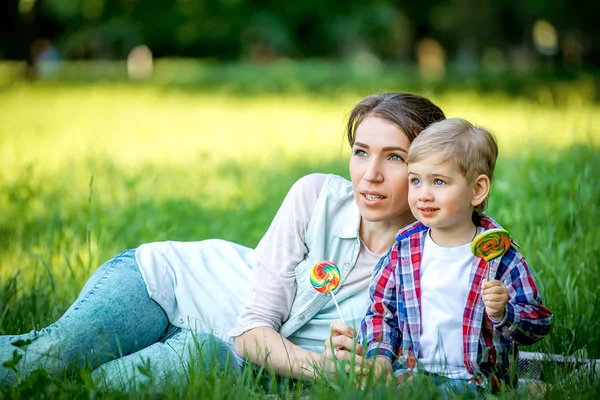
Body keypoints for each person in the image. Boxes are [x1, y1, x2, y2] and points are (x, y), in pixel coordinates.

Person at [0, 92, 446, 391]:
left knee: (85, 389)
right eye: (361, 152)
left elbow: (493, 349)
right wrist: (326, 370)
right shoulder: (316, 197)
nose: (370, 175)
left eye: (395, 157)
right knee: (41, 360)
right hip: (167, 286)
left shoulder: (440, 264)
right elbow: (254, 332)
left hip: (215, 354)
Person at [361, 118, 553, 394]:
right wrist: (379, 356)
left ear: (477, 190)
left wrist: (503, 313)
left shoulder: (501, 258)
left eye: (438, 181)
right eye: (415, 180)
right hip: (415, 374)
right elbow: (381, 310)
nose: (423, 195)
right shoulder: (403, 251)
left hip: (481, 382)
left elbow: (538, 323)